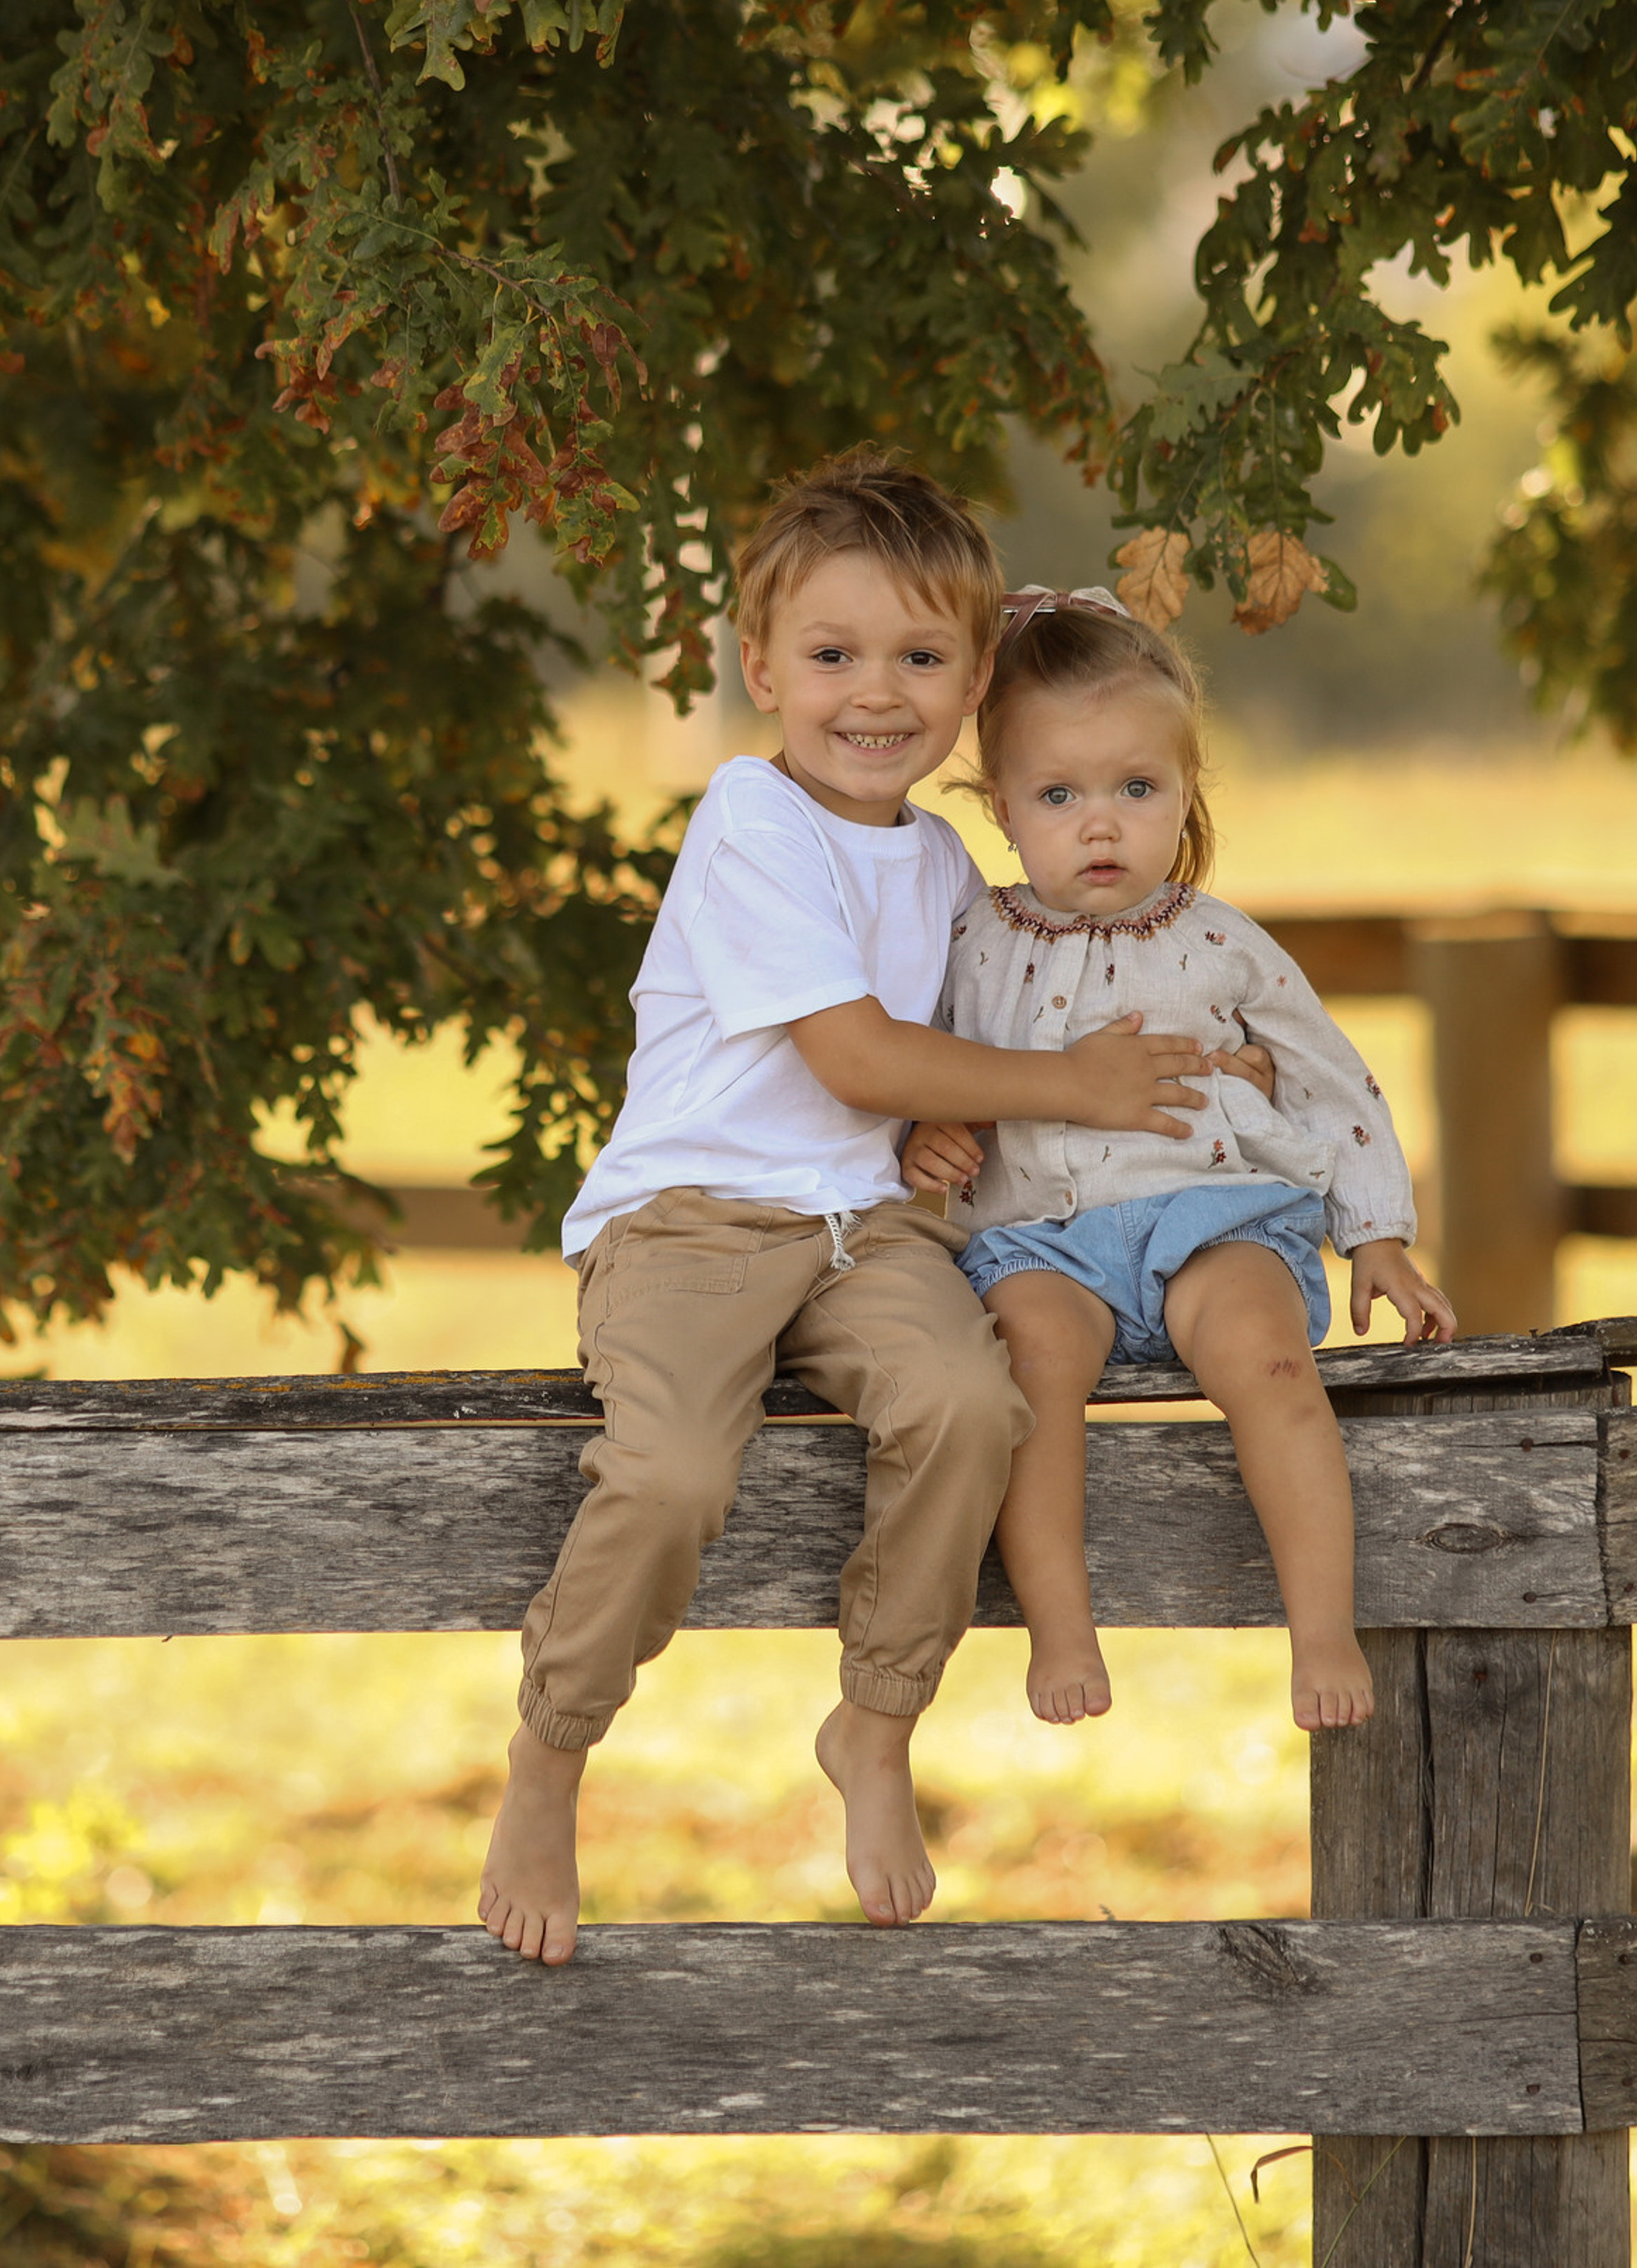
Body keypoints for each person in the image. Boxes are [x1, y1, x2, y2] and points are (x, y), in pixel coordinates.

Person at [478, 460, 1243, 1965]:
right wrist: (1058, 1088)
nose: (873, 694)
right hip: (694, 1221)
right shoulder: (753, 820)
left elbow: (932, 1043)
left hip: (866, 1227)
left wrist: (954, 1115)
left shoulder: (949, 864)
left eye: (918, 658)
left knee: (971, 1404)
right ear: (761, 669)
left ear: (972, 685)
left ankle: (877, 1721)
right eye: (830, 657)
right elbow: (850, 1051)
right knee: (680, 1470)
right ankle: (551, 1755)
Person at [900, 585, 1456, 1738]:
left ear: (1185, 791)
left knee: (1269, 1359)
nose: (1098, 825)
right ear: (1001, 804)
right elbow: (927, 1064)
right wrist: (927, 1132)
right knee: (1032, 1372)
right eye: (1058, 795)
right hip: (1041, 1239)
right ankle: (1061, 1626)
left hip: (1211, 1221)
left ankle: (1322, 1628)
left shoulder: (1217, 941)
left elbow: (1329, 1079)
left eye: (1134, 789)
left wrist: (1380, 1235)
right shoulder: (969, 938)